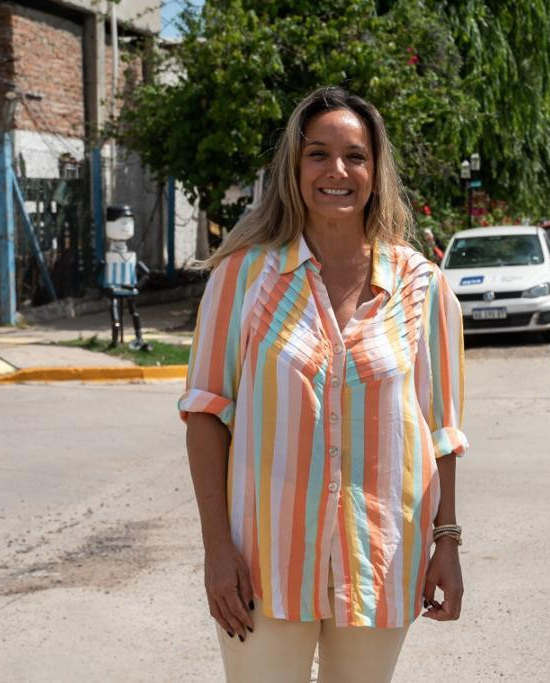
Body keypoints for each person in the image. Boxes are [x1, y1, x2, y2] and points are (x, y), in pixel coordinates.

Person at [179, 86, 468, 682]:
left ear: (375, 170)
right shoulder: (241, 277)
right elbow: (206, 413)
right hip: (262, 560)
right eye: (318, 154)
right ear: (293, 166)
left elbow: (440, 432)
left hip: (381, 558)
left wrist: (448, 544)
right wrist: (216, 549)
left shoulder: (423, 286)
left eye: (355, 156)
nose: (337, 171)